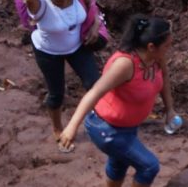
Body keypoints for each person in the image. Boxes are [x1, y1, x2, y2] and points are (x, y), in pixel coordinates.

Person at [59, 15, 176, 186]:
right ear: (151, 46)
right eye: (167, 46)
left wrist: (170, 109)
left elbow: (164, 77)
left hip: (128, 128)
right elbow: (95, 92)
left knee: (119, 164)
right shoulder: (125, 65)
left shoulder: (156, 57)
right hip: (106, 128)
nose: (169, 49)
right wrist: (72, 127)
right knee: (149, 167)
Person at [24, 0, 102, 142]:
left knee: (94, 84)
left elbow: (91, 2)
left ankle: (96, 118)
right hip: (48, 52)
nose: (65, 3)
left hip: (76, 47)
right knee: (56, 94)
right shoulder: (40, 4)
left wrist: (96, 24)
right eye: (59, 1)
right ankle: (57, 128)